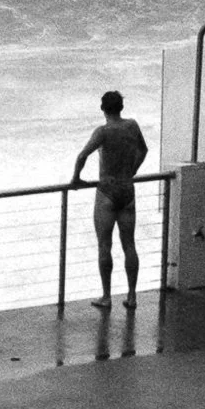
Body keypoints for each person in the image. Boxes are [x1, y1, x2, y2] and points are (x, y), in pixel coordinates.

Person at [72, 91, 150, 311]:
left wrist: (76, 178)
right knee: (129, 245)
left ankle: (106, 296)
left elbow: (82, 156)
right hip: (127, 190)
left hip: (107, 192)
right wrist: (133, 170)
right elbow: (143, 150)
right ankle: (132, 296)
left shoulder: (103, 132)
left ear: (102, 108)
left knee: (105, 245)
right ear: (121, 107)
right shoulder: (132, 126)